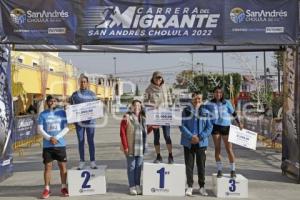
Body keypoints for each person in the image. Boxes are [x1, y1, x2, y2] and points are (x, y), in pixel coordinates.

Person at [180, 93, 212, 196]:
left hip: (201, 142)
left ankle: (202, 187)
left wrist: (200, 137)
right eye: (195, 98)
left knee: (201, 166)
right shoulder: (186, 111)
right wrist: (191, 137)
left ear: (202, 100)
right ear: (191, 99)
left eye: (199, 98)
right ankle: (189, 186)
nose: (197, 100)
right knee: (189, 166)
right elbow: (181, 125)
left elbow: (209, 127)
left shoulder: (206, 111)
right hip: (188, 142)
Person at [38, 95, 69, 199]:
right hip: (48, 145)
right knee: (48, 167)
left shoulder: (62, 112)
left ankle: (64, 187)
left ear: (56, 102)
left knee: (63, 166)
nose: (52, 102)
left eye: (54, 101)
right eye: (50, 101)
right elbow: (40, 129)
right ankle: (47, 189)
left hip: (60, 144)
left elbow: (66, 128)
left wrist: (56, 137)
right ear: (47, 102)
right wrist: (49, 138)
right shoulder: (43, 114)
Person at [208, 86, 242, 178]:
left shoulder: (226, 102)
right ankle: (219, 170)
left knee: (229, 149)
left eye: (220, 92)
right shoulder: (210, 103)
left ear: (222, 93)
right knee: (217, 149)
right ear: (214, 93)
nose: (218, 94)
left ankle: (233, 170)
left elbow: (234, 113)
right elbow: (204, 113)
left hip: (226, 127)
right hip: (215, 127)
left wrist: (239, 123)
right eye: (216, 92)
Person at [144, 71, 174, 164]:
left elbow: (169, 100)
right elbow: (144, 102)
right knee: (156, 137)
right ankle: (158, 156)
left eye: (160, 78)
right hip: (155, 116)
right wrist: (152, 106)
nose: (158, 79)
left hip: (165, 115)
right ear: (153, 78)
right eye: (157, 78)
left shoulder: (166, 87)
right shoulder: (149, 89)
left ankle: (170, 155)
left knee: (167, 136)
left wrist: (171, 109)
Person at [120, 99, 147, 195]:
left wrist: (153, 126)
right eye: (135, 105)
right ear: (131, 107)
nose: (137, 107)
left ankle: (137, 185)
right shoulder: (126, 117)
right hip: (130, 146)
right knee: (131, 167)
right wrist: (125, 147)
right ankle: (132, 186)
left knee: (138, 167)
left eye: (139, 106)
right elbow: (122, 133)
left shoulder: (143, 118)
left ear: (141, 107)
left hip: (140, 147)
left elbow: (145, 132)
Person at [70, 75, 98, 170]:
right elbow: (71, 108)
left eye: (84, 81)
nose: (83, 83)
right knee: (81, 142)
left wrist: (100, 109)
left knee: (91, 141)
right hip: (79, 123)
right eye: (81, 82)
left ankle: (92, 161)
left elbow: (97, 107)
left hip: (90, 122)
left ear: (87, 83)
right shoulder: (74, 95)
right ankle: (82, 161)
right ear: (79, 83)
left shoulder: (92, 94)